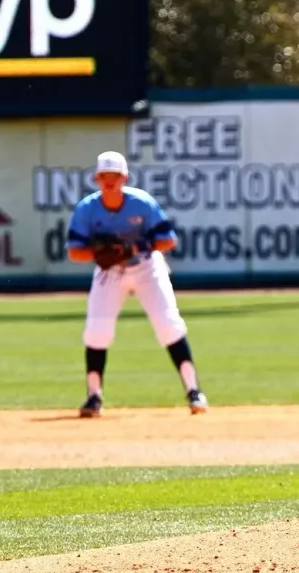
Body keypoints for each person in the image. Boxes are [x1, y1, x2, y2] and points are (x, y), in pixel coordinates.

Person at [66, 151, 209, 417]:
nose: (109, 181)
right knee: (97, 330)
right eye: (104, 176)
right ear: (97, 178)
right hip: (110, 272)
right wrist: (102, 253)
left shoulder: (141, 203)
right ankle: (93, 396)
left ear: (125, 178)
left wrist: (135, 246)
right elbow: (75, 252)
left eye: (115, 176)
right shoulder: (87, 208)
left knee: (168, 324)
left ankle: (194, 391)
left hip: (146, 267)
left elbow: (168, 240)